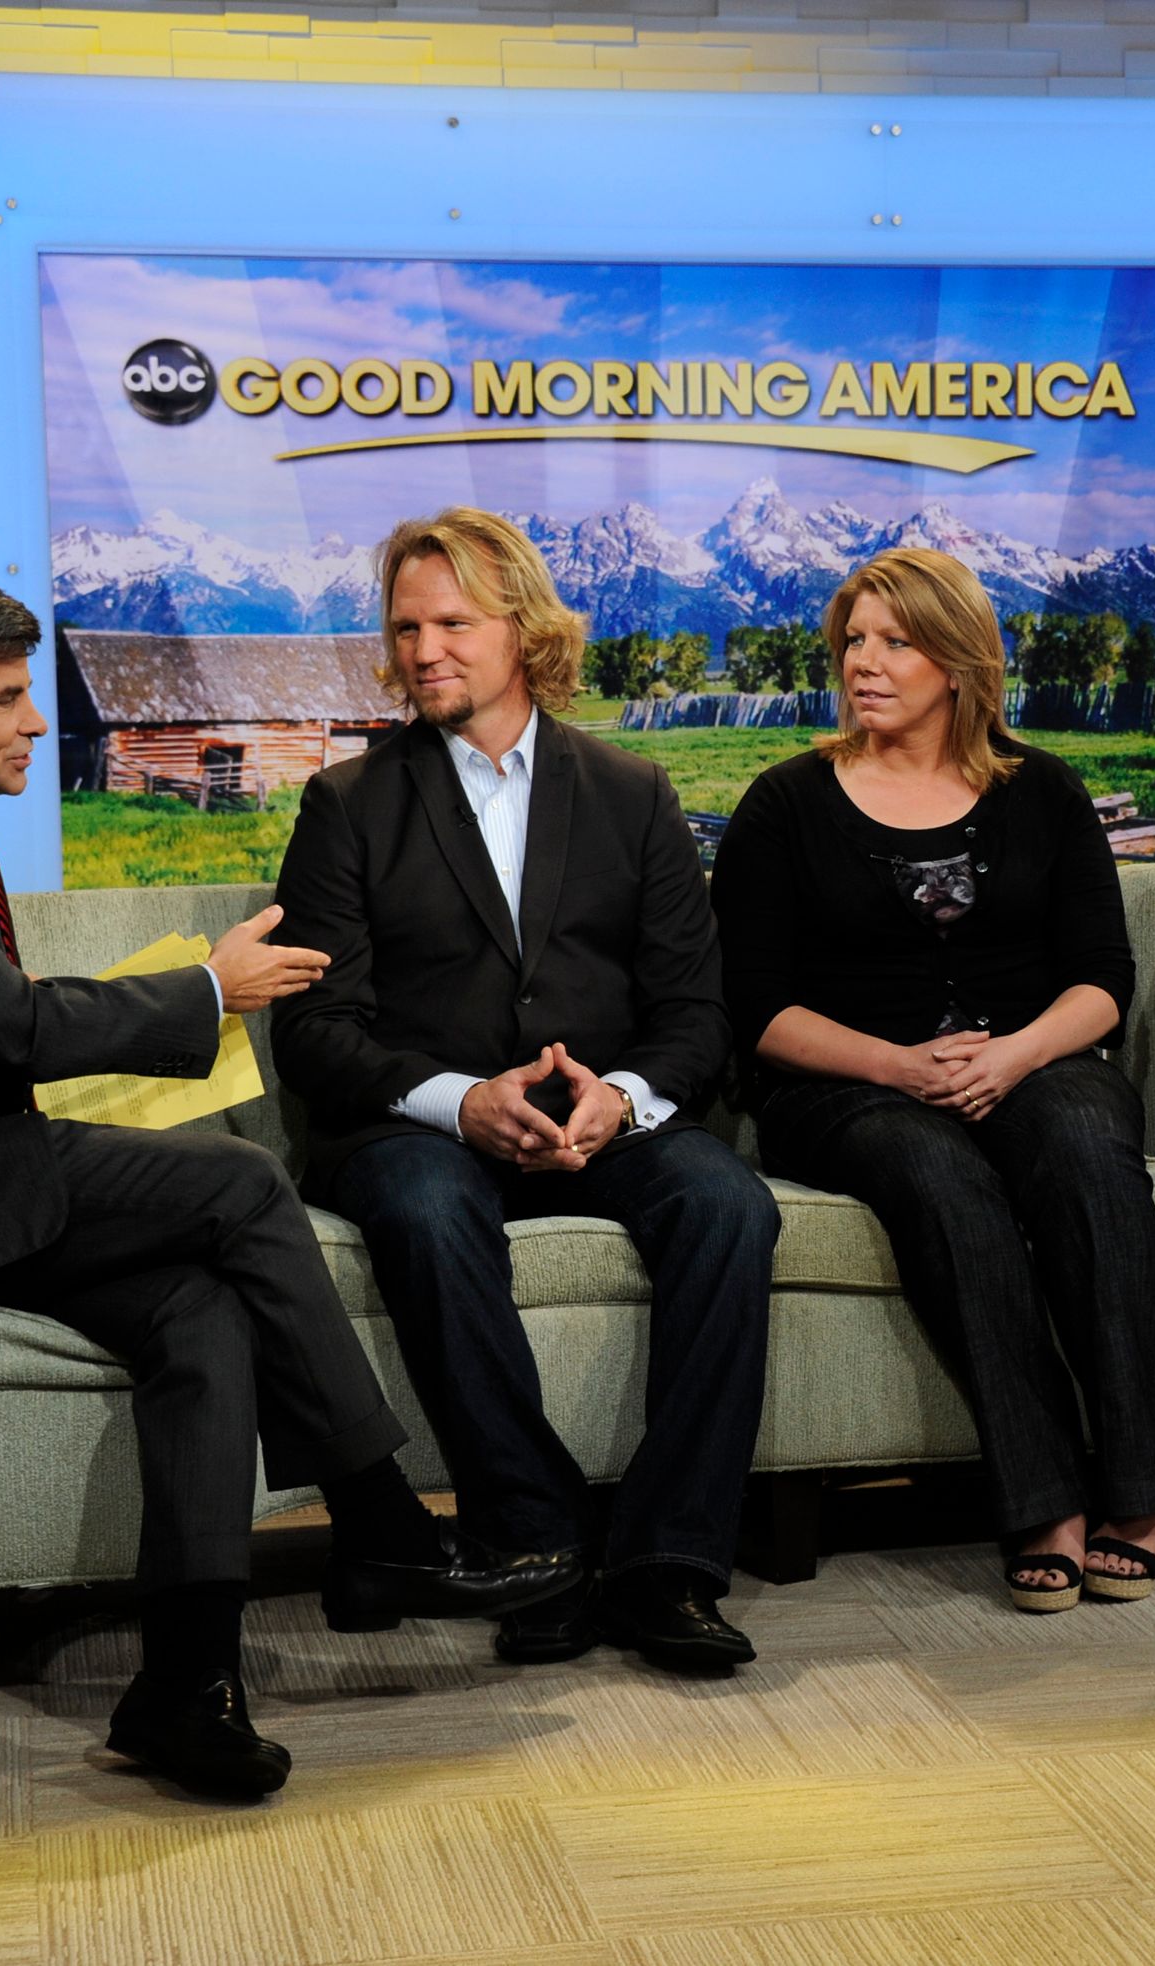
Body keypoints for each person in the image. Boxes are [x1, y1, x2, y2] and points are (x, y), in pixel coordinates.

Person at [0, 574, 575, 1802]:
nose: (34, 721)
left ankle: (185, 1686)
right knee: (238, 1185)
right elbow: (11, 1029)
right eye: (8, 697)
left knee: (197, 1310)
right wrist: (205, 989)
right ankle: (385, 1527)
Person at [272, 508, 779, 1674]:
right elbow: (317, 1029)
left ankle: (668, 1567)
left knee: (730, 1205)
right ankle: (537, 1545)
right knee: (425, 1209)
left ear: (524, 629)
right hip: (422, 1129)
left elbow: (697, 1012)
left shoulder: (632, 790)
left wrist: (627, 1097)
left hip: (607, 1115)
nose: (423, 648)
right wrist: (461, 1099)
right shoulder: (348, 803)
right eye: (405, 627)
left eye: (452, 621)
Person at [711, 548, 1155, 1613]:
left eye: (895, 641)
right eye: (854, 642)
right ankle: (1043, 1497)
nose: (863, 663)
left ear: (961, 662)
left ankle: (1145, 1489)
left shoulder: (1045, 791)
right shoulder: (785, 805)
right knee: (935, 1172)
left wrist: (1014, 1052)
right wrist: (898, 1065)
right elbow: (758, 1008)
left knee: (1082, 1148)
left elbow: (1102, 983)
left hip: (1034, 1058)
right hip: (849, 1083)